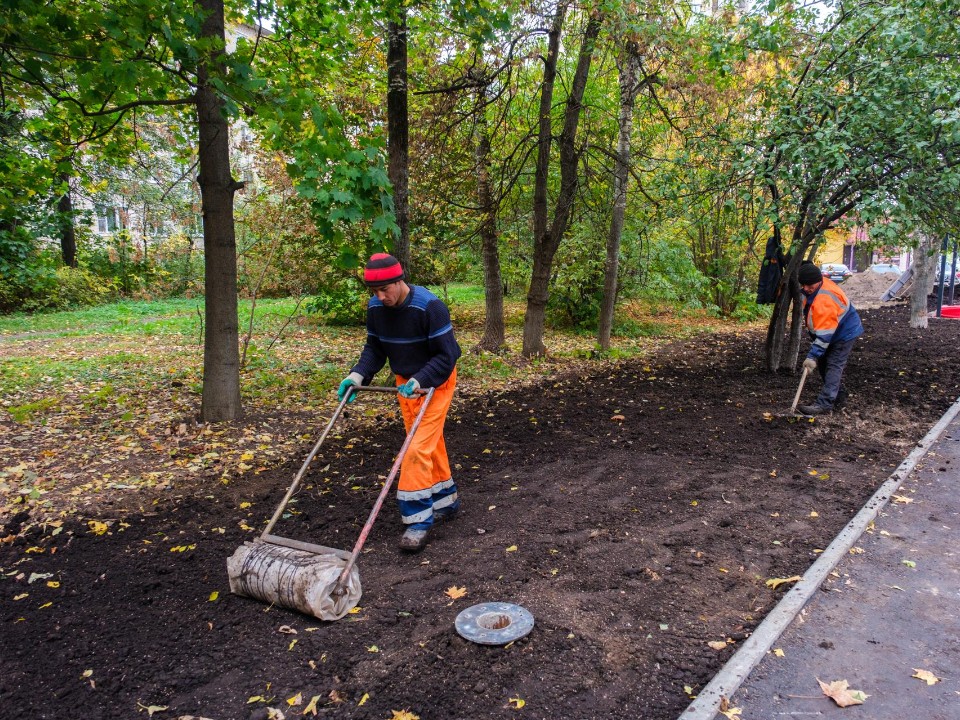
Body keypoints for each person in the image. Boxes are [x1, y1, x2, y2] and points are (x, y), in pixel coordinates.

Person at [337, 253, 462, 551]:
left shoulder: (430, 307)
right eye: (374, 292)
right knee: (428, 443)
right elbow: (375, 349)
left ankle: (417, 519)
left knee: (415, 448)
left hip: (436, 382)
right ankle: (445, 500)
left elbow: (447, 355)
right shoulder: (376, 308)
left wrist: (421, 379)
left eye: (385, 290)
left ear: (399, 280)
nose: (380, 297)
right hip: (405, 384)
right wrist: (357, 375)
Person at [796, 262, 864, 415]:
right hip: (831, 330)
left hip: (844, 333)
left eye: (809, 285)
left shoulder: (825, 299)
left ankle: (825, 404)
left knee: (833, 365)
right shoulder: (814, 287)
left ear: (818, 280)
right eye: (803, 285)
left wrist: (812, 356)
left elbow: (824, 335)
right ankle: (839, 395)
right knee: (824, 365)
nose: (806, 288)